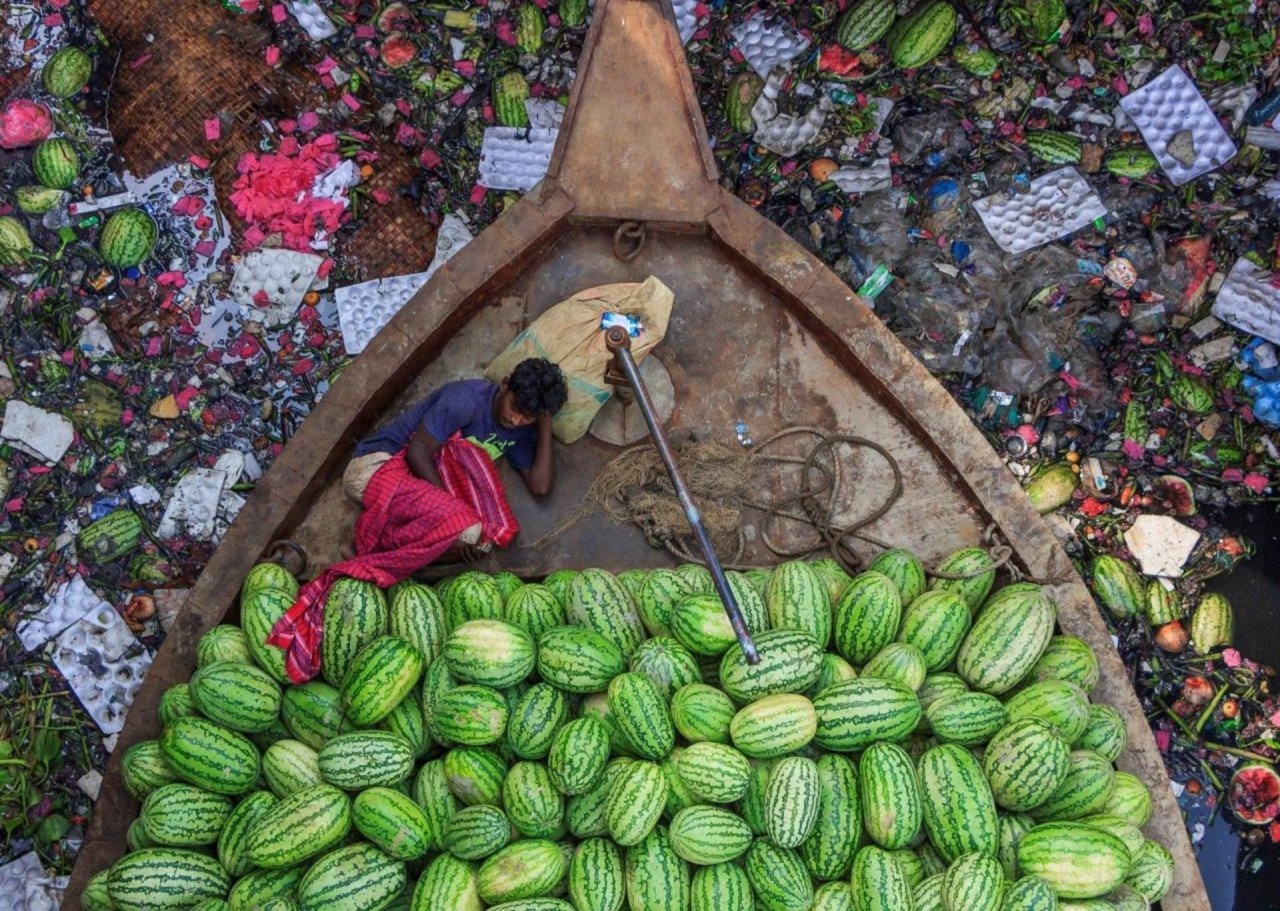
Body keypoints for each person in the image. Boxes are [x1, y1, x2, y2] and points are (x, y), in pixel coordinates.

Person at [341, 357, 568, 561]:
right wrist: (454, 515)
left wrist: (545, 423)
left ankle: (421, 539)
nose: (516, 420)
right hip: (376, 465)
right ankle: (363, 547)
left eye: (528, 417)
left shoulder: (521, 430)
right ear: (505, 384)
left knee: (480, 540)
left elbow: (540, 485)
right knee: (463, 530)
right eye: (514, 408)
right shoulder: (465, 401)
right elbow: (417, 453)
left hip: (412, 480)